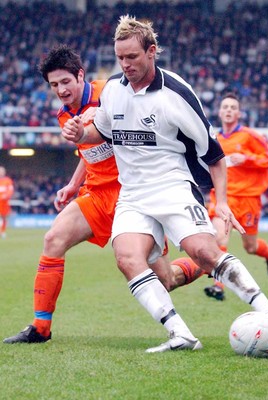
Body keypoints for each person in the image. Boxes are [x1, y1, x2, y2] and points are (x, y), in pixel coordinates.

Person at [61, 15, 268, 353]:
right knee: (127, 258)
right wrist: (82, 133)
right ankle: (181, 334)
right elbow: (103, 129)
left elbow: (214, 155)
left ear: (151, 51)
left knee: (204, 252)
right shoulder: (112, 89)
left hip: (172, 186)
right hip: (133, 193)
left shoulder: (177, 94)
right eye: (120, 57)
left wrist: (223, 203)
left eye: (132, 57)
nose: (125, 64)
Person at [3, 45, 203, 345]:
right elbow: (89, 150)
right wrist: (73, 185)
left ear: (80, 75)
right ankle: (40, 328)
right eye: (54, 85)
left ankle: (203, 263)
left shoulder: (111, 92)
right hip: (97, 194)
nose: (60, 90)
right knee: (53, 239)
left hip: (133, 194)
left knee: (166, 280)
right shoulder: (64, 114)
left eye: (65, 82)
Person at [203, 92, 268, 301]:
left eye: (233, 107)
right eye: (225, 107)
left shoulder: (250, 136)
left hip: (248, 198)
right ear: (219, 111)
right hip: (223, 196)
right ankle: (219, 286)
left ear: (239, 113)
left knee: (250, 247)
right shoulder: (214, 138)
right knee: (219, 237)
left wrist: (247, 158)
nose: (228, 110)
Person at [0, 166, 14, 238]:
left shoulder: (8, 180)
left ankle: (3, 231)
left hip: (4, 202)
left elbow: (10, 190)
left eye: (2, 171)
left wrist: (6, 196)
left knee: (4, 217)